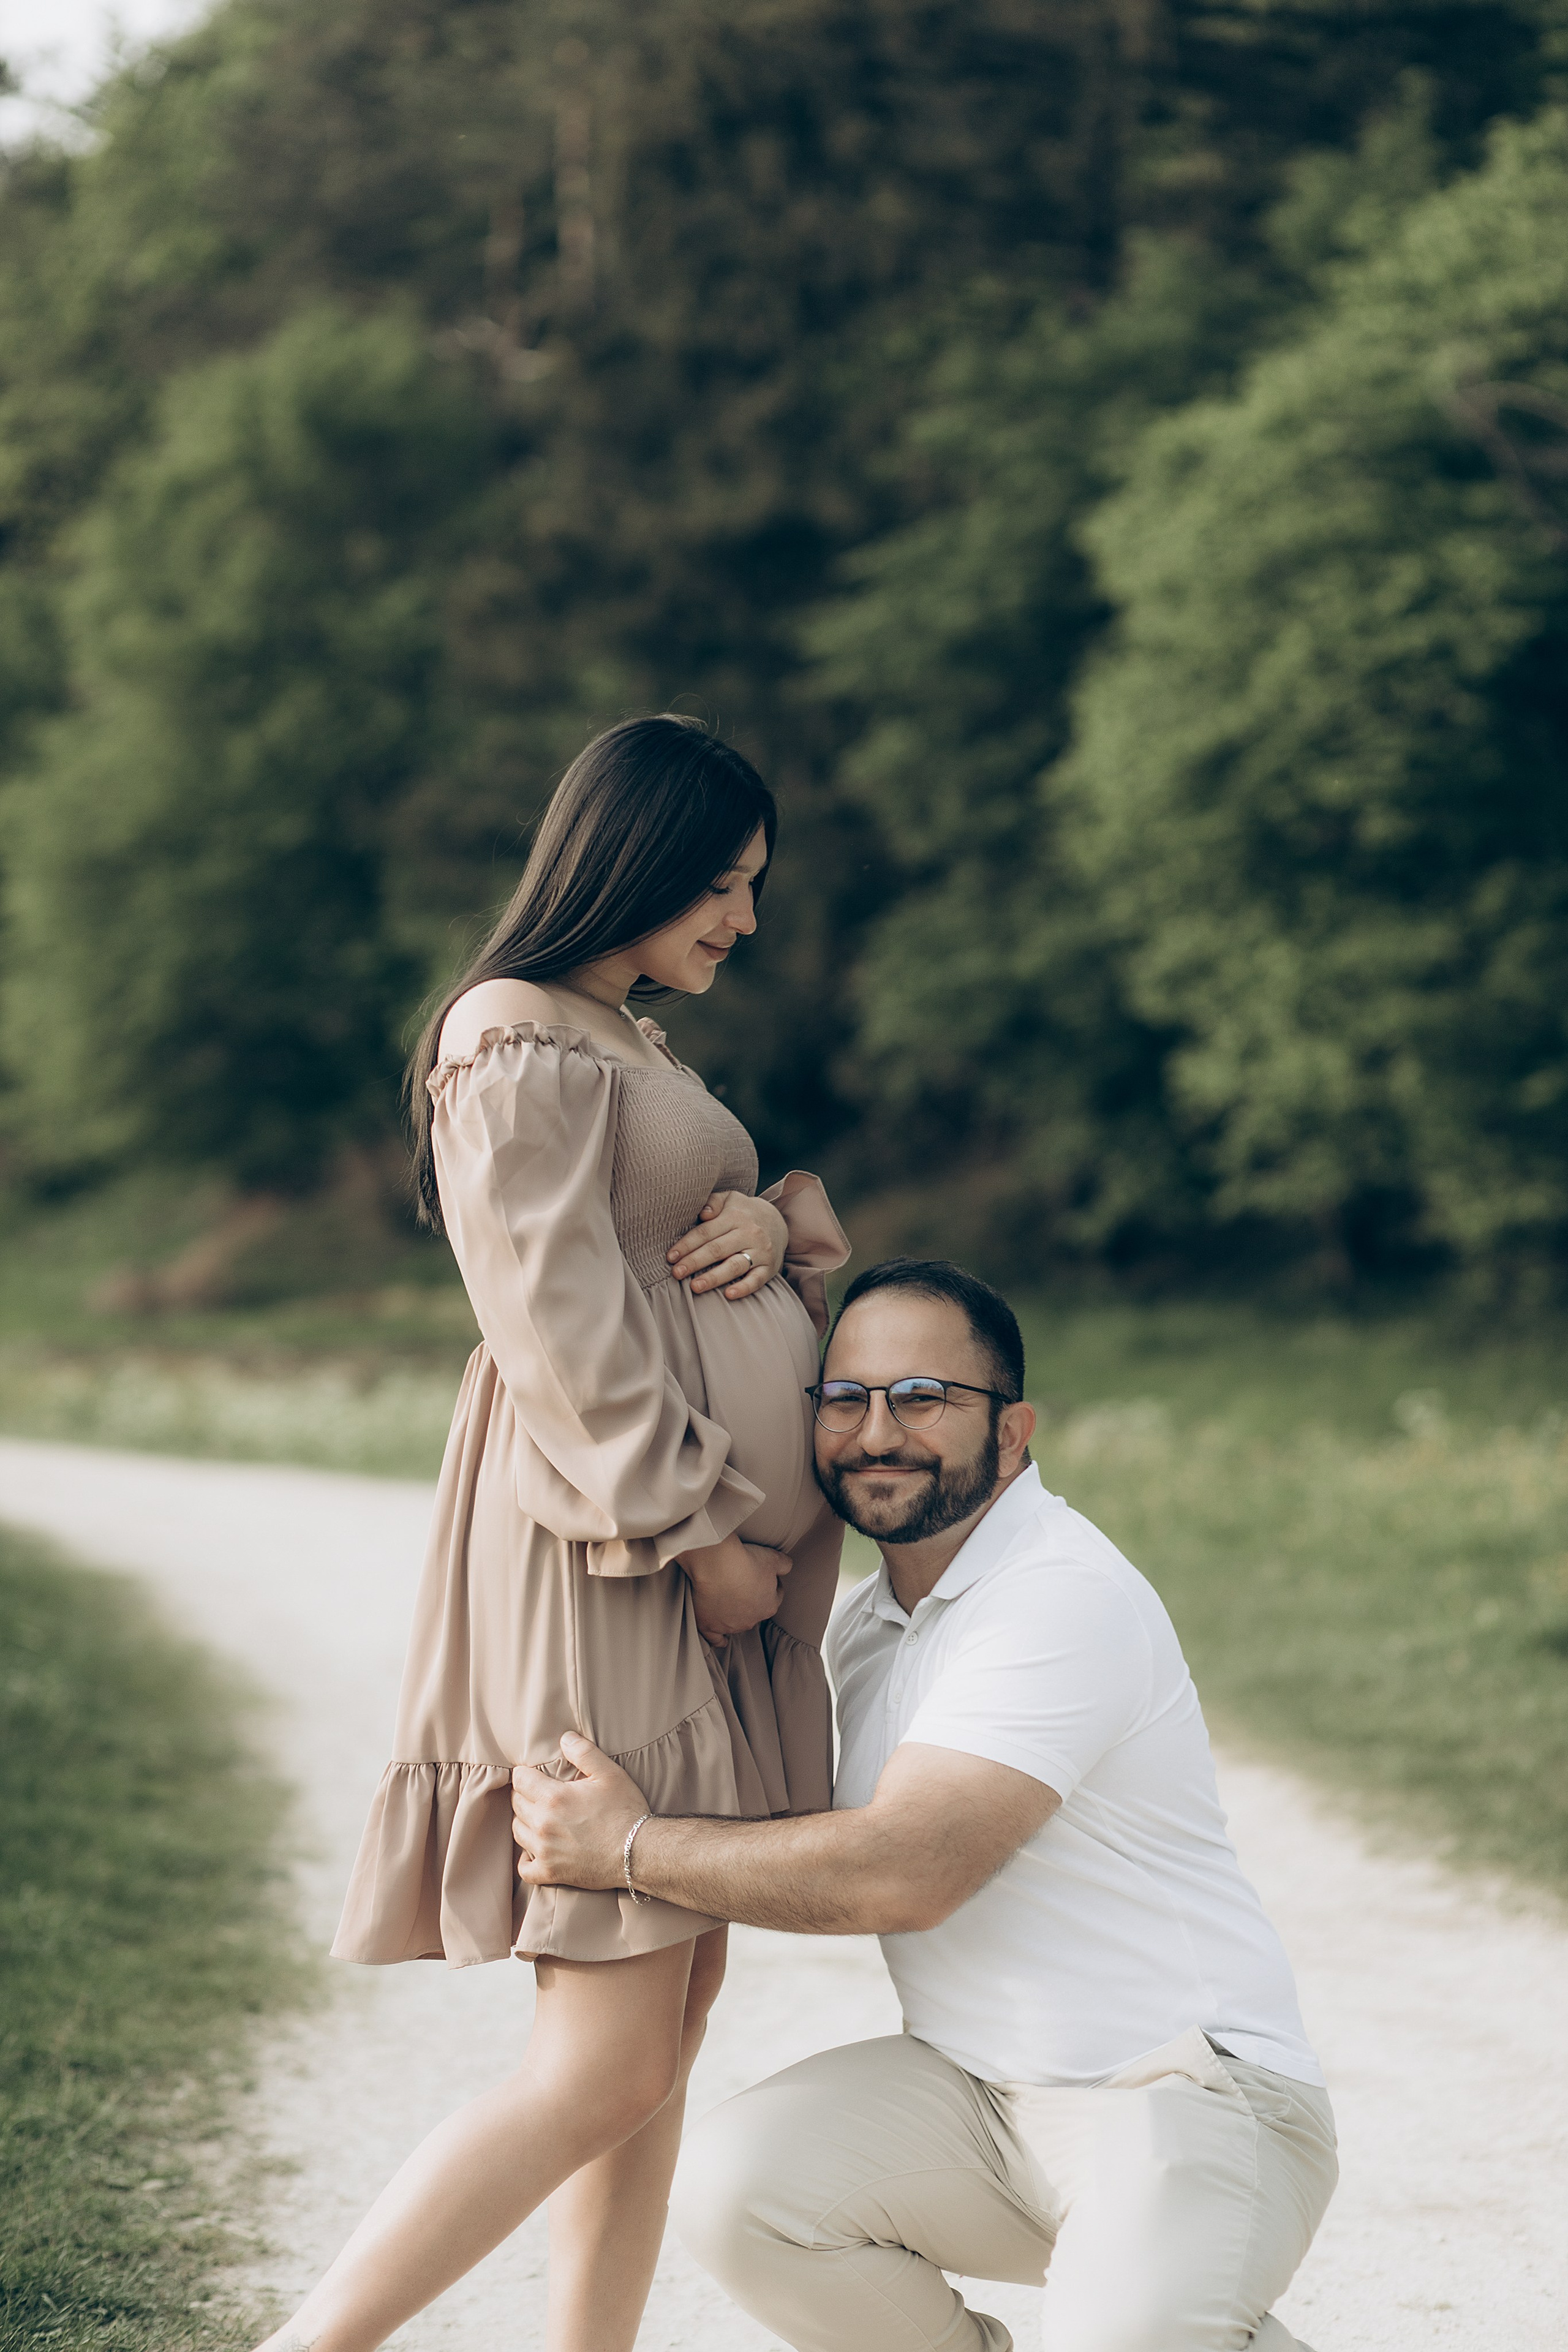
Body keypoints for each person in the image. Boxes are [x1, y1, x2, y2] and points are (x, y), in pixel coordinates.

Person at [255, 715, 849, 2352]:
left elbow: (668, 1242)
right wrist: (693, 1528)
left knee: (672, 2019)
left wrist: (769, 1212)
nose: (744, 919)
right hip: (618, 1558)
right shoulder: (512, 1032)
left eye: (753, 888)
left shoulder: (629, 1041)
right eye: (725, 884)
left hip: (692, 1570)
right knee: (605, 2051)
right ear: (636, 860)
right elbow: (553, 1315)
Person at [513, 1257, 1338, 2352]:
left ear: (1012, 1430)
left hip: (1188, 2096)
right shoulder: (867, 1625)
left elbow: (903, 1872)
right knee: (741, 2188)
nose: (875, 1433)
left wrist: (630, 1848)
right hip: (977, 2100)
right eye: (844, 1399)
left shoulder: (1057, 1596)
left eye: (923, 1399)